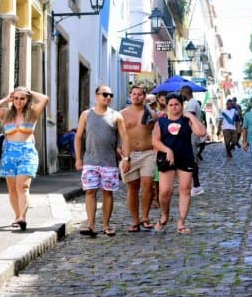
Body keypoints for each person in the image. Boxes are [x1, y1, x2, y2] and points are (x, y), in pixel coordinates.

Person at [0, 86, 49, 231]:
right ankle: (17, 216)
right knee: (12, 188)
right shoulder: (6, 114)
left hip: (27, 152)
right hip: (9, 153)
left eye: (22, 98)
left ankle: (23, 217)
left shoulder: (33, 113)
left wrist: (29, 91)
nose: (18, 101)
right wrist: (6, 99)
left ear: (27, 100)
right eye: (16, 98)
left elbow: (45, 99)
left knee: (23, 186)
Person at [74, 85, 130, 237]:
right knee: (90, 191)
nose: (108, 97)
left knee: (108, 193)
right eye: (105, 94)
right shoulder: (86, 115)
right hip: (90, 160)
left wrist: (126, 158)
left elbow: (124, 138)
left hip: (109, 162)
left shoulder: (116, 116)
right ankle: (91, 224)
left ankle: (106, 224)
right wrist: (78, 158)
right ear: (96, 96)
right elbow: (78, 136)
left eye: (110, 95)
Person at [152, 93, 206, 234]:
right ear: (167, 106)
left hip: (185, 157)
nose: (174, 107)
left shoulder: (186, 120)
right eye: (171, 105)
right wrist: (167, 150)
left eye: (177, 104)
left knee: (185, 189)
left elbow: (201, 132)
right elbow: (155, 141)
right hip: (166, 158)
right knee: (165, 191)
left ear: (182, 106)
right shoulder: (161, 122)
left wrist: (192, 116)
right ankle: (164, 215)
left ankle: (181, 222)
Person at [120, 86, 157, 232]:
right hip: (130, 154)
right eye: (134, 94)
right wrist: (122, 154)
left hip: (148, 153)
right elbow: (117, 134)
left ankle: (145, 217)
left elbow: (157, 132)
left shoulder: (151, 114)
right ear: (130, 95)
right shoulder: (122, 114)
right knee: (132, 187)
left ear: (144, 96)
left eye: (139, 94)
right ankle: (135, 220)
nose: (136, 97)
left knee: (148, 184)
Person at [181, 86, 204, 196]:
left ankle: (196, 185)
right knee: (190, 160)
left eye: (182, 93)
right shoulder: (192, 103)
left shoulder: (192, 104)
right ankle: (194, 185)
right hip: (191, 134)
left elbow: (188, 119)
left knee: (192, 160)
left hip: (192, 134)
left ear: (185, 93)